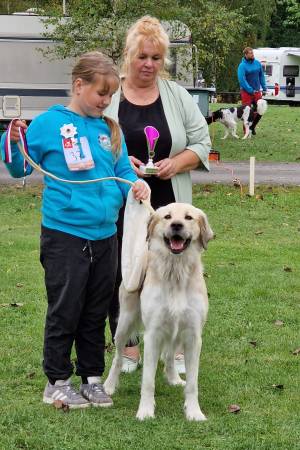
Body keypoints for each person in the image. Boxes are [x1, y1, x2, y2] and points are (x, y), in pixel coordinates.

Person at [0, 51, 149, 408]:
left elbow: (123, 171)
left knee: (97, 309)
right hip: (64, 236)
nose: (106, 102)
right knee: (66, 307)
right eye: (101, 94)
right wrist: (13, 142)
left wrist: (134, 184)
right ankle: (56, 380)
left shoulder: (108, 129)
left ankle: (92, 378)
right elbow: (20, 169)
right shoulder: (49, 124)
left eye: (111, 95)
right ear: (78, 85)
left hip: (104, 236)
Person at [105, 16, 211, 374]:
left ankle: (175, 350)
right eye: (142, 57)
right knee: (123, 272)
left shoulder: (177, 95)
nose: (149, 64)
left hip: (168, 202)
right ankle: (129, 347)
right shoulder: (109, 95)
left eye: (156, 57)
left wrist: (177, 163)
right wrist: (121, 163)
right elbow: (93, 145)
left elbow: (202, 141)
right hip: (119, 203)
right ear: (128, 56)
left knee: (175, 271)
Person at [237, 46, 267, 135]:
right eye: (250, 53)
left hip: (257, 91)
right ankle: (246, 131)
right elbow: (242, 79)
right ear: (246, 55)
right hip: (246, 92)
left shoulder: (257, 63)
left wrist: (264, 87)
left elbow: (261, 76)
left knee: (261, 110)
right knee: (247, 112)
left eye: (252, 53)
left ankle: (252, 126)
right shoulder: (242, 66)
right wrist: (250, 90)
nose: (252, 54)